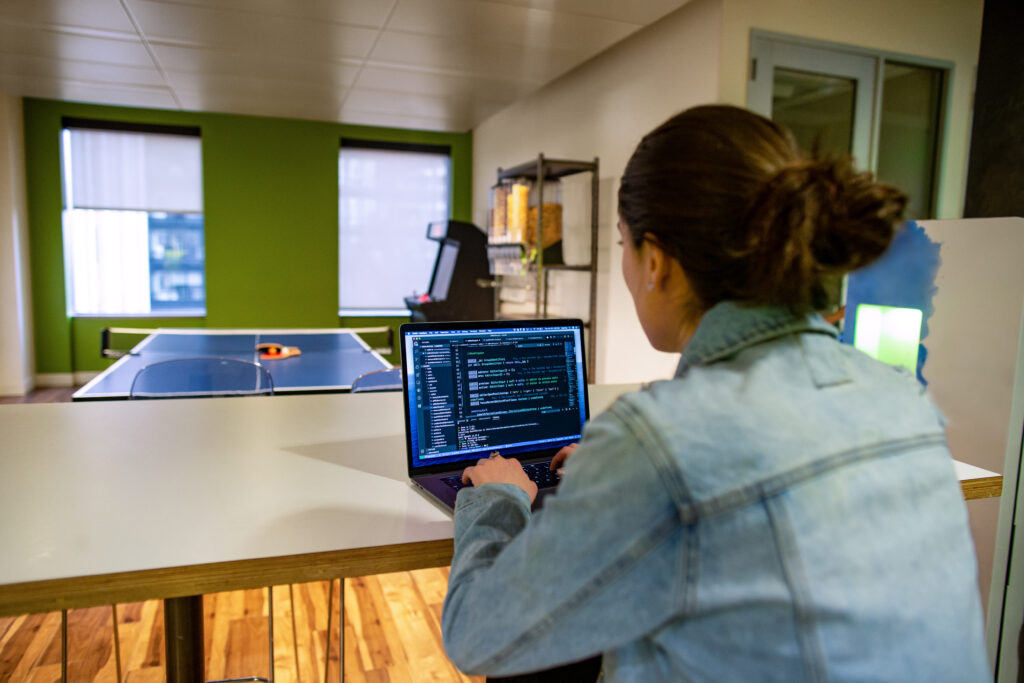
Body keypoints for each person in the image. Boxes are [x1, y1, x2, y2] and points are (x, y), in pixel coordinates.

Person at [441, 105, 989, 682]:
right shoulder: (899, 396)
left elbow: (476, 635)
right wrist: (615, 475)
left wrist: (500, 498)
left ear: (655, 261)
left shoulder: (656, 441)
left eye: (623, 244)